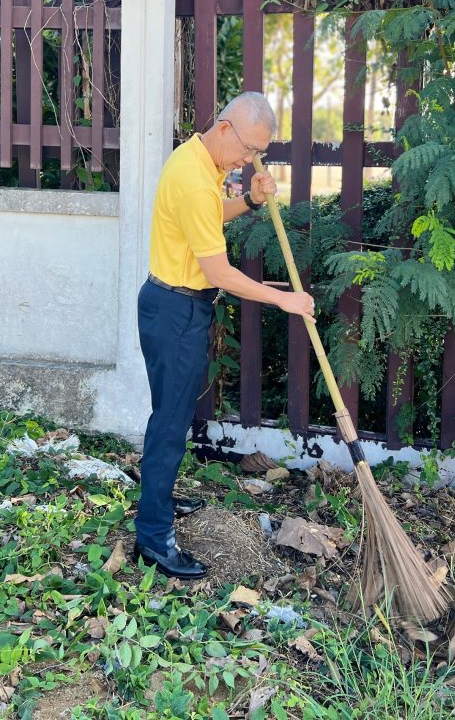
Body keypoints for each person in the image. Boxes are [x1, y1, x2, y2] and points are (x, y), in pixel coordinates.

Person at [133, 92, 315, 579]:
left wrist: (250, 200)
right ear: (226, 128)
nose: (249, 159)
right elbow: (219, 273)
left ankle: (159, 498)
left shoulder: (200, 161)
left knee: (170, 416)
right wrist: (283, 299)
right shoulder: (195, 177)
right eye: (248, 148)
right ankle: (153, 537)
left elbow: (209, 217)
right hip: (177, 311)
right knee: (170, 422)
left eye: (259, 153)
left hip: (173, 306)